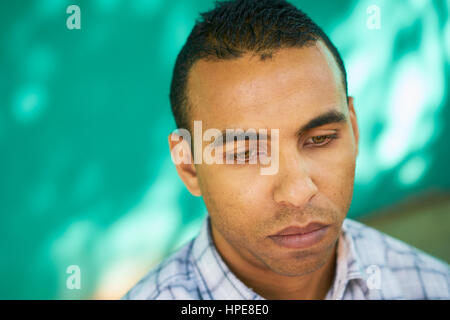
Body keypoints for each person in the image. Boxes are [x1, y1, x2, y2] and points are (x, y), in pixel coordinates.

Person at [122, 0, 450, 300]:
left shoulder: (431, 286)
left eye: (320, 139)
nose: (297, 192)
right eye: (244, 153)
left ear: (354, 129)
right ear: (189, 165)